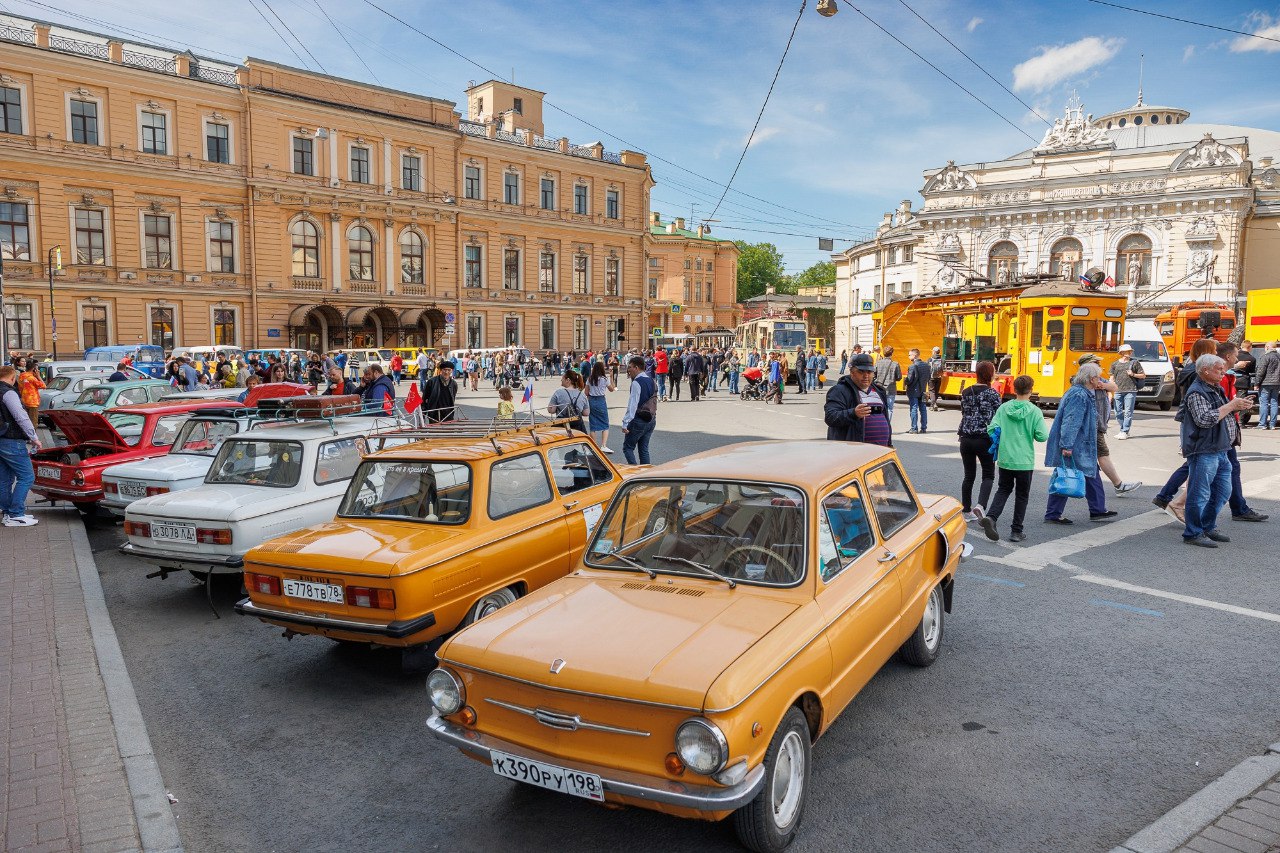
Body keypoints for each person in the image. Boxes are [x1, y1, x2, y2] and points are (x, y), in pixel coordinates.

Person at [1180, 354, 1255, 547]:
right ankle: (1193, 532)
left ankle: (1207, 526)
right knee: (1200, 493)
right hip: (1205, 449)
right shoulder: (1197, 391)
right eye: (1219, 369)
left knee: (1223, 491)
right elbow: (1204, 419)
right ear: (1205, 370)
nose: (1223, 372)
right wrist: (1231, 405)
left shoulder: (1215, 388)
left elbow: (1223, 414)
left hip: (1220, 448)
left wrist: (1239, 406)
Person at [979, 374, 1049, 543]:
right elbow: (1042, 436)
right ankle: (1016, 531)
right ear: (1030, 390)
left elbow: (992, 428)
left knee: (1003, 489)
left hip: (1006, 457)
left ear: (1014, 390)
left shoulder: (1004, 408)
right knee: (1022, 495)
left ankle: (992, 517)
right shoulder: (1034, 411)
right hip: (1024, 460)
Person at [1044, 361, 1111, 525]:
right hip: (1077, 444)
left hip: (1080, 443)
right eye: (1098, 377)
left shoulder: (1078, 392)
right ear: (1091, 379)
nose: (1099, 380)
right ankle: (1054, 513)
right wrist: (1066, 445)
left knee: (1082, 473)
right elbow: (1071, 421)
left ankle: (1097, 509)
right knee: (1067, 475)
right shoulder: (1079, 395)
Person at [957, 361, 1002, 521]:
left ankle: (966, 511)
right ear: (989, 374)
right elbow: (999, 415)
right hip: (984, 438)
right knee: (988, 475)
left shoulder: (966, 391)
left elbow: (964, 412)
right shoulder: (992, 394)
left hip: (966, 438)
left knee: (968, 476)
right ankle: (980, 505)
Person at [0, 365, 41, 526]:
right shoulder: (8, 392)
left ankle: (7, 513)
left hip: (1, 439)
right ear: (12, 377)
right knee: (27, 476)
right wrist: (34, 437)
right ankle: (16, 513)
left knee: (4, 479)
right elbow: (21, 416)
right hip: (12, 439)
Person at [824, 353, 892, 446]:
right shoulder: (839, 390)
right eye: (861, 372)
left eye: (869, 372)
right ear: (852, 372)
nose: (866, 376)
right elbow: (830, 417)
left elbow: (886, 420)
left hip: (880, 451)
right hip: (853, 452)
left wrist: (889, 444)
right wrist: (854, 413)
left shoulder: (879, 391)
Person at [620, 355, 657, 464]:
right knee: (644, 449)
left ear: (636, 368)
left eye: (630, 367)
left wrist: (625, 422)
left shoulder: (636, 383)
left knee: (628, 448)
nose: (628, 370)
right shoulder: (651, 380)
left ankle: (635, 472)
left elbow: (632, 405)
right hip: (651, 418)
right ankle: (646, 474)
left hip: (639, 420)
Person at [1109, 344, 1145, 438]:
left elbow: (1143, 375)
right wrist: (1108, 389)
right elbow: (1111, 378)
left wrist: (1133, 374)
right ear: (1122, 353)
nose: (1129, 353)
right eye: (1127, 351)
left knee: (1128, 412)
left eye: (1130, 351)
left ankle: (1124, 431)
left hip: (1131, 390)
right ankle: (1123, 429)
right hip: (1118, 390)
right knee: (1117, 412)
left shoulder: (1135, 362)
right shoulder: (1115, 364)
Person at [586, 361, 615, 453]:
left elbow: (586, 392)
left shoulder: (590, 379)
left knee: (593, 425)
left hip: (591, 401)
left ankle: (594, 446)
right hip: (601, 400)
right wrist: (611, 376)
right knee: (605, 424)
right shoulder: (604, 379)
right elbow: (612, 389)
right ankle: (603, 445)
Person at [905, 348, 931, 433]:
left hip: (913, 391)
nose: (908, 356)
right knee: (923, 409)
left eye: (910, 355)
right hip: (923, 390)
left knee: (914, 408)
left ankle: (914, 428)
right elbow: (929, 378)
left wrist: (905, 381)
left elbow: (909, 380)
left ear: (915, 355)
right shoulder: (927, 365)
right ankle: (923, 428)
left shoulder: (912, 366)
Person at [872, 347, 902, 421]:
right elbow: (899, 377)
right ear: (891, 354)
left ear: (883, 353)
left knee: (879, 407)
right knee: (889, 408)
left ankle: (879, 424)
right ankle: (887, 425)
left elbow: (873, 375)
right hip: (891, 389)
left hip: (879, 389)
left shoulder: (878, 363)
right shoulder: (895, 364)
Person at [1256, 340, 1280, 429]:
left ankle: (1262, 424)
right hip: (1277, 383)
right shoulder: (1279, 356)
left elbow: (1260, 371)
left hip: (1265, 383)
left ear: (1267, 347)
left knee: (1264, 403)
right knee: (1274, 403)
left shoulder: (1265, 357)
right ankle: (1272, 424)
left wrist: (1256, 383)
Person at [15, 359, 45, 424]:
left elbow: (20, 387)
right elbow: (44, 386)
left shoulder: (22, 376)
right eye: (37, 369)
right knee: (33, 422)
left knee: (26, 421)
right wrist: (38, 376)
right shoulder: (32, 378)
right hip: (33, 402)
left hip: (24, 400)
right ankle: (32, 433)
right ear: (34, 369)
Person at [927, 346, 946, 411]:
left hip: (931, 377)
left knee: (932, 391)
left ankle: (934, 404)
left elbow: (927, 368)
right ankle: (932, 405)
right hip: (939, 377)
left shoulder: (930, 359)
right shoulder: (942, 360)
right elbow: (944, 369)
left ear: (934, 352)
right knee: (936, 391)